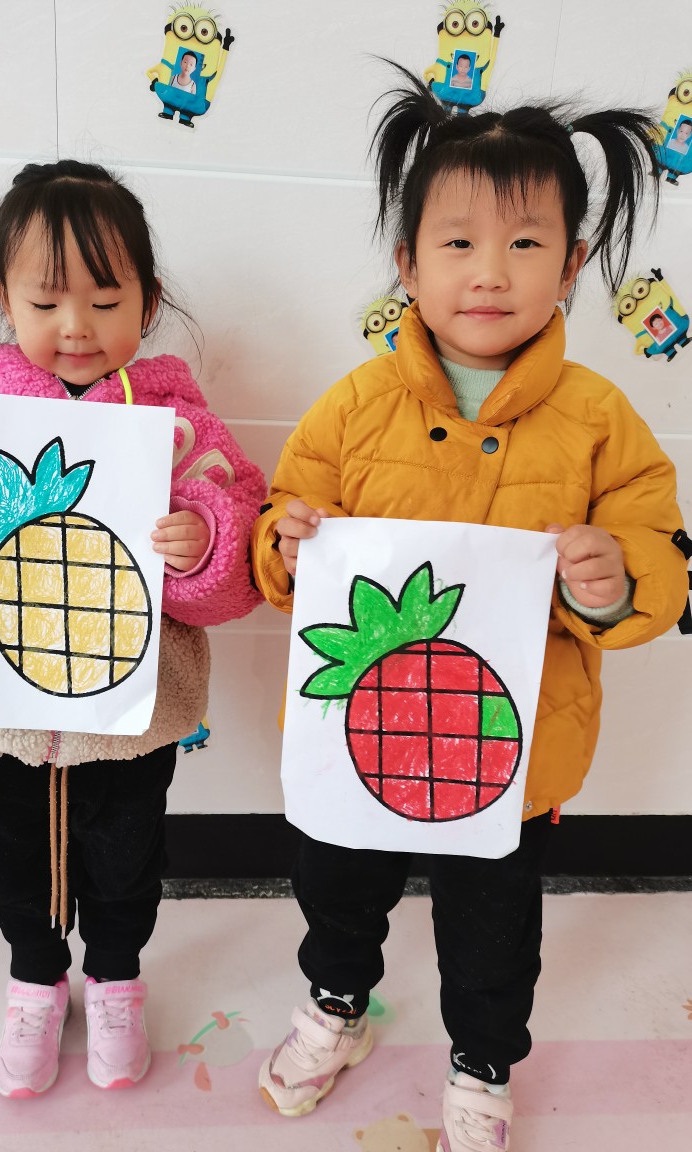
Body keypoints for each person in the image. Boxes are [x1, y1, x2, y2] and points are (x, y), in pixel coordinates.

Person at [251, 68, 688, 1151]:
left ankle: (483, 1058)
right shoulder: (354, 406)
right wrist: (285, 544)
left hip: (511, 753)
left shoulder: (600, 419)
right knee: (335, 885)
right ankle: (339, 1002)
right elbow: (280, 525)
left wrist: (613, 581)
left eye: (526, 243)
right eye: (458, 243)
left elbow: (658, 549)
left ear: (573, 264)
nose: (490, 271)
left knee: (493, 927)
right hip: (356, 732)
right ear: (408, 263)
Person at [0, 159, 266, 1100]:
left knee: (129, 858)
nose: (76, 326)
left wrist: (202, 540)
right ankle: (35, 980)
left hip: (133, 720)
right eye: (45, 300)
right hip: (1, 718)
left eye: (106, 300)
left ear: (148, 299)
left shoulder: (179, 425)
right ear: (3, 299)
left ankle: (115, 979)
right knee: (8, 857)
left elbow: (240, 565)